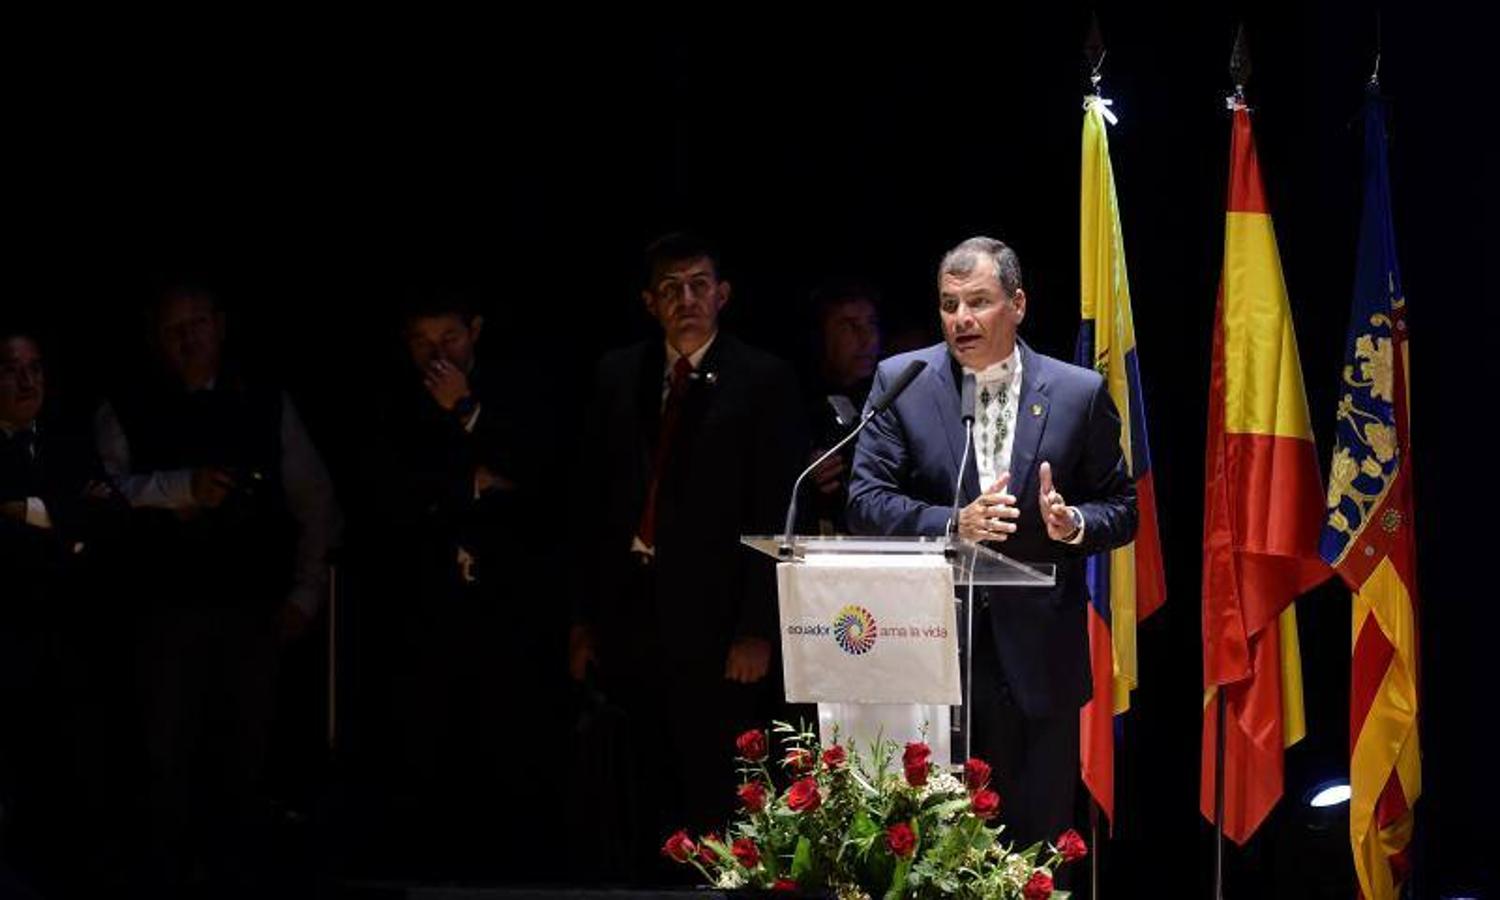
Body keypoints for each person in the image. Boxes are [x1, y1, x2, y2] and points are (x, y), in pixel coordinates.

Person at [846, 236, 1136, 849]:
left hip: (1038, 666)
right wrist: (953, 522)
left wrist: (1074, 523)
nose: (961, 320)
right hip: (928, 657)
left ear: (1018, 304)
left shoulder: (1078, 392)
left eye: (978, 302)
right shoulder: (905, 381)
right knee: (939, 854)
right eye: (949, 305)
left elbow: (1122, 508)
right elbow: (865, 500)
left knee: (1033, 853)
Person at [568, 233, 807, 881]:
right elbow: (591, 504)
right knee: (641, 779)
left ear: (722, 294)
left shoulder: (762, 378)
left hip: (718, 619)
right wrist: (584, 619)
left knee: (711, 779)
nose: (687, 300)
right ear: (650, 302)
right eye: (671, 289)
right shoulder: (619, 374)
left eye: (700, 285)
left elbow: (773, 511)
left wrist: (757, 627)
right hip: (631, 609)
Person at [93, 286, 340, 896]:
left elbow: (319, 505)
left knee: (245, 764)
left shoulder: (265, 402)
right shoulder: (125, 406)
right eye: (174, 327)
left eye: (198, 323)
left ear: (221, 326)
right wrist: (180, 490)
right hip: (162, 616)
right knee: (163, 765)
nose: (189, 338)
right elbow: (100, 494)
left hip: (251, 614)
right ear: (156, 337)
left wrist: (305, 596)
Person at [802, 279, 883, 534]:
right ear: (821, 334)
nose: (866, 338)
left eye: (871, 324)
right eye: (850, 326)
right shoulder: (793, 400)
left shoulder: (888, 396)